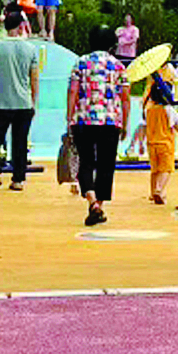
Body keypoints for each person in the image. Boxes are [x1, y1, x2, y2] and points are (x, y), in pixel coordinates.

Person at [68, 25, 130, 225]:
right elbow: (125, 98)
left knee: (85, 160)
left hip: (83, 119)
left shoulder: (80, 63)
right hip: (110, 120)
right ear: (112, 44)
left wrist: (69, 117)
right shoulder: (119, 66)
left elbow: (73, 91)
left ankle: (92, 201)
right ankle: (99, 205)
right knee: (106, 163)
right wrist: (125, 123)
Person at [0, 9, 42, 192]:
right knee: (20, 141)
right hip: (24, 102)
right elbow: (34, 77)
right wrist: (33, 101)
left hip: (1, 102)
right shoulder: (30, 48)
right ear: (21, 26)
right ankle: (18, 179)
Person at [143, 70, 178, 204]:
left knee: (154, 169)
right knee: (166, 169)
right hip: (165, 143)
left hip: (151, 143)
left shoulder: (149, 110)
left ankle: (153, 191)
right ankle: (159, 190)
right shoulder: (169, 110)